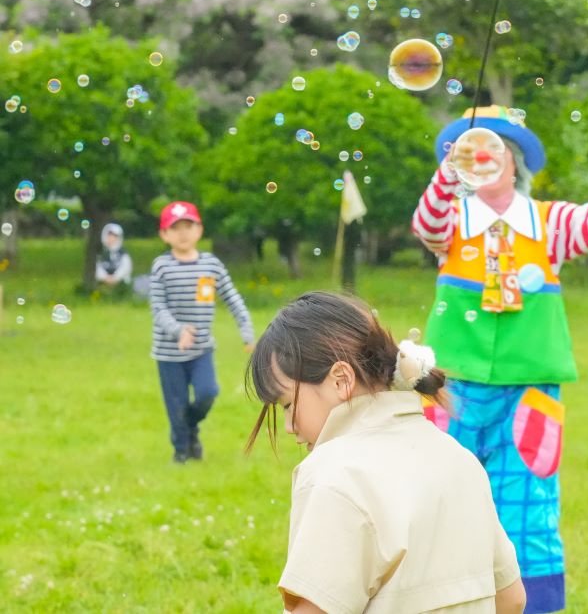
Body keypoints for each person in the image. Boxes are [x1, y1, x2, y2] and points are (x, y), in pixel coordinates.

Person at [411, 105, 588, 614]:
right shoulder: (451, 219)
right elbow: (427, 222)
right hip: (449, 388)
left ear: (516, 166)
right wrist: (449, 173)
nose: (486, 158)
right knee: (438, 503)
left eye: (498, 151)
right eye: (474, 150)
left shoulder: (548, 222)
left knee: (530, 511)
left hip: (530, 392)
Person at [245, 292, 526, 614]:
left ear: (340, 380)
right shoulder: (458, 457)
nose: (289, 427)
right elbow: (511, 598)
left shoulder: (334, 474)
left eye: (288, 405)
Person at [150, 201, 255, 464]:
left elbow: (232, 298)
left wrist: (247, 332)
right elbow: (158, 308)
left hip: (201, 349)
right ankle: (182, 450)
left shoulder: (211, 265)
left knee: (208, 392)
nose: (183, 233)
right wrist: (178, 331)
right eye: (175, 228)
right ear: (164, 235)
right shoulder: (161, 266)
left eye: (188, 226)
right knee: (176, 405)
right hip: (168, 352)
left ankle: (191, 426)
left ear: (199, 230)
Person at [95, 222, 133, 288]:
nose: (111, 238)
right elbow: (96, 267)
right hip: (102, 283)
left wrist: (115, 278)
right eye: (109, 235)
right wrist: (105, 277)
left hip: (119, 283)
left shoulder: (122, 253)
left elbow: (126, 268)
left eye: (114, 236)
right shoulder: (101, 252)